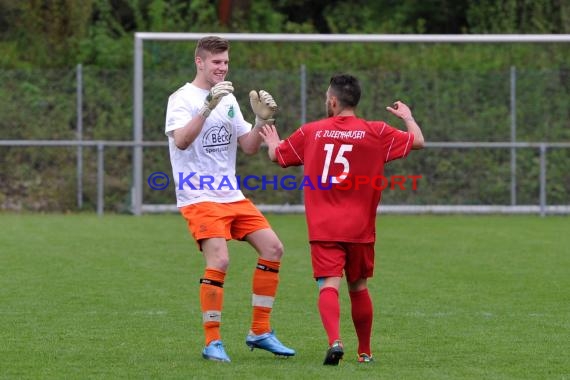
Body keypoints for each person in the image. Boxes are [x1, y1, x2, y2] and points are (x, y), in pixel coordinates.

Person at [260, 73, 425, 365]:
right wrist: (408, 117)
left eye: (327, 98)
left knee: (328, 287)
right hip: (360, 228)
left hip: (324, 228)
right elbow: (419, 141)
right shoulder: (377, 131)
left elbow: (278, 156)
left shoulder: (311, 131)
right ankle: (365, 352)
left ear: (333, 101)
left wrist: (273, 140)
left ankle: (335, 341)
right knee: (359, 287)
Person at [164, 35, 295, 363]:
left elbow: (248, 146)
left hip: (231, 195)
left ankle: (260, 332)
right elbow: (181, 141)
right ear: (200, 62)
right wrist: (207, 107)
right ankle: (212, 342)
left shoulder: (229, 98)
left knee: (273, 248)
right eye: (216, 62)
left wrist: (262, 121)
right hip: (198, 194)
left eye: (225, 62)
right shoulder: (181, 99)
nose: (222, 68)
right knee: (220, 260)